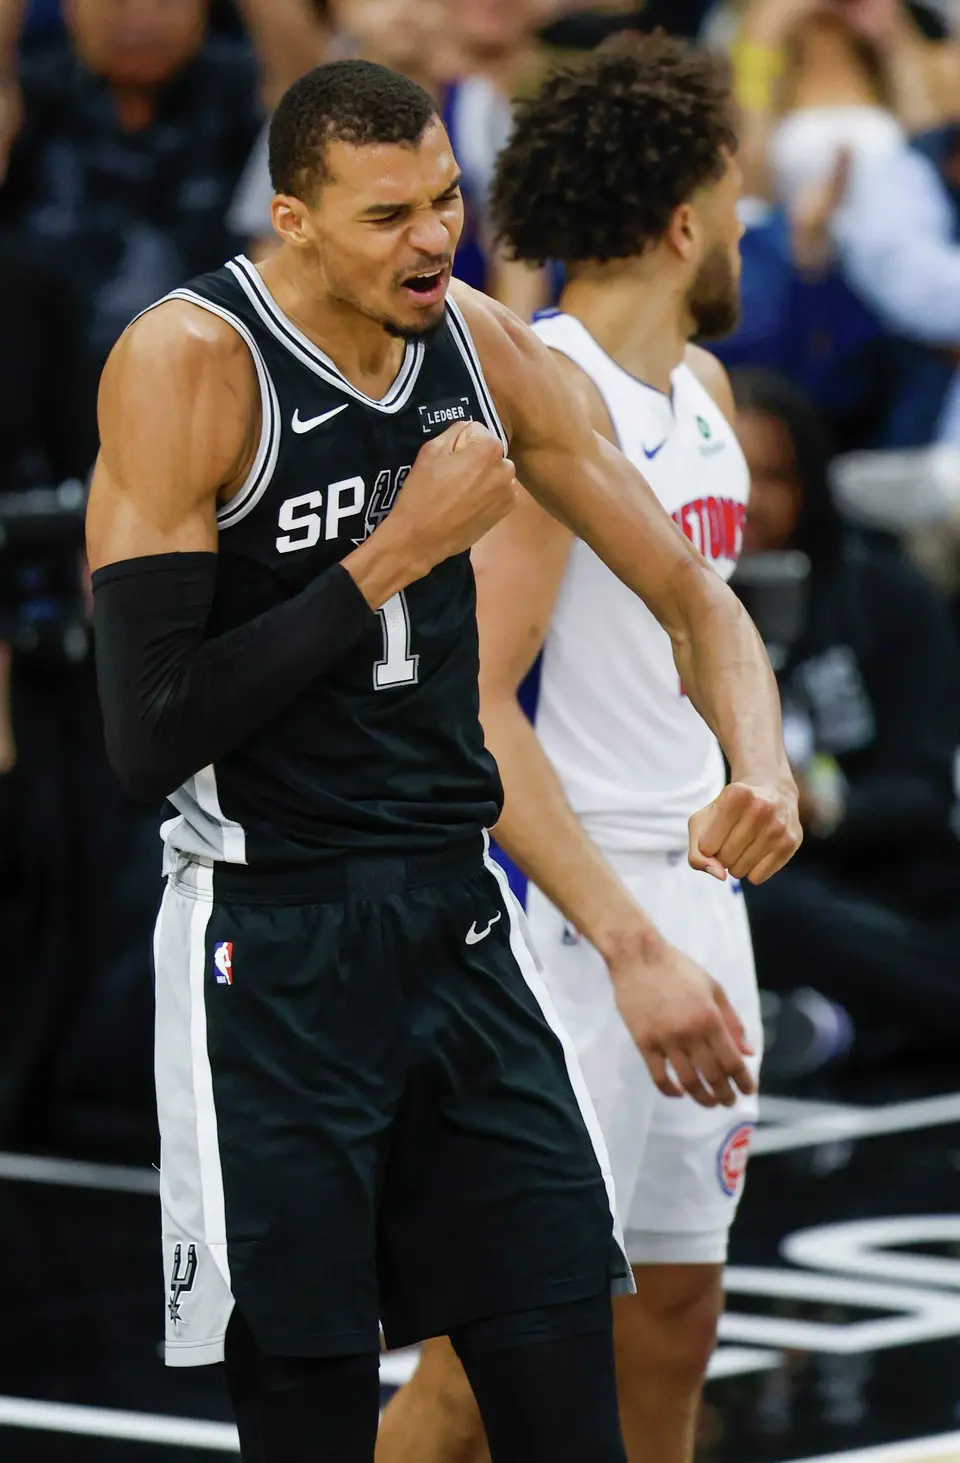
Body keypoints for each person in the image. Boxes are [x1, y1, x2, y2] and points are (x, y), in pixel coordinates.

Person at [86, 59, 800, 1463]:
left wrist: (760, 762)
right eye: (389, 214)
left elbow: (696, 596)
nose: (433, 238)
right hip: (269, 934)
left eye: (447, 200)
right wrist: (397, 552)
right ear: (291, 218)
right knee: (309, 1402)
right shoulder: (190, 363)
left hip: (461, 925)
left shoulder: (481, 343)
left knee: (564, 1359)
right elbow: (149, 731)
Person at [376, 36, 762, 1463]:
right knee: (481, 1367)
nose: (741, 227)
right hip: (562, 926)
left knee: (668, 1322)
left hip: (699, 900)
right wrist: (624, 940)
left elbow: (702, 650)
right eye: (729, 198)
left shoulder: (709, 395)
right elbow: (473, 706)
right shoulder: (547, 397)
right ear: (678, 221)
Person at [732, 369, 960, 1065]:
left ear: (810, 482)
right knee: (765, 912)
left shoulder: (889, 597)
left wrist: (825, 806)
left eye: (771, 477)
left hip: (886, 879)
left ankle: (825, 1028)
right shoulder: (659, 615)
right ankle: (840, 1028)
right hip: (753, 887)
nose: (748, 502)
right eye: (730, 476)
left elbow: (924, 788)